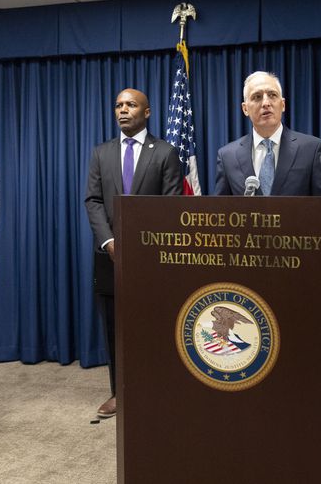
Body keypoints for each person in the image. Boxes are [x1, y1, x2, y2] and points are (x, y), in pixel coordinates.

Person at [84, 88, 183, 418]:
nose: (123, 110)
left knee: (155, 327)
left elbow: (170, 206)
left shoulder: (166, 153)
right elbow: (93, 201)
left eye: (130, 105)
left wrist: (143, 246)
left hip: (153, 261)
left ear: (147, 112)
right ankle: (119, 393)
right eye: (118, 105)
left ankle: (156, 390)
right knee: (115, 330)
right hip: (109, 258)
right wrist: (109, 242)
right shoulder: (101, 153)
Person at [213, 71, 321, 196]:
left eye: (272, 95)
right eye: (257, 97)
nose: (266, 103)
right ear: (245, 108)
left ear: (283, 104)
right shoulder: (227, 156)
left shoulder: (311, 150)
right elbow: (221, 211)